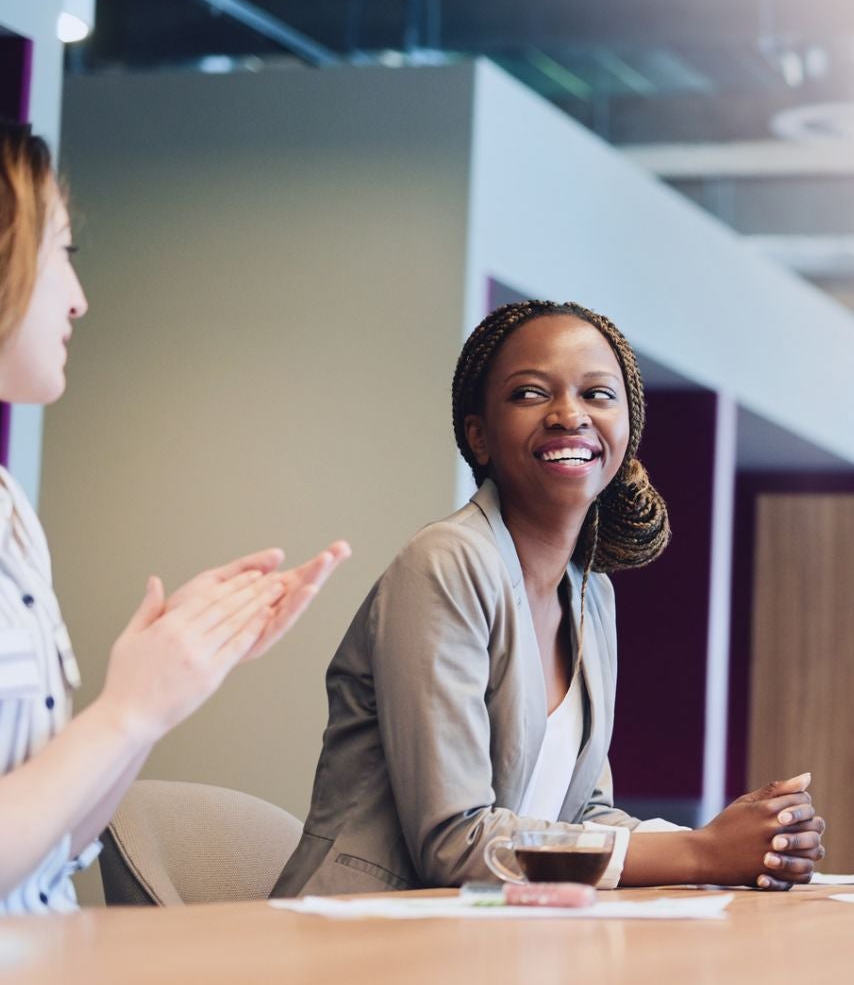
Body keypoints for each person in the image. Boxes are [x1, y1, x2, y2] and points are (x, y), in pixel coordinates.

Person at [274, 301, 824, 896]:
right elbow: (453, 842)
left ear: (626, 431)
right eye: (531, 394)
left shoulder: (591, 597)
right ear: (478, 435)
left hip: (485, 941)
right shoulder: (447, 562)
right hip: (362, 939)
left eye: (597, 395)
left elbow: (582, 820)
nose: (569, 415)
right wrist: (700, 854)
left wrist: (739, 843)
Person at [0, 109, 348, 915]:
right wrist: (125, 708)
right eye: (61, 254)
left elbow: (56, 846)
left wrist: (165, 689)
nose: (78, 299)